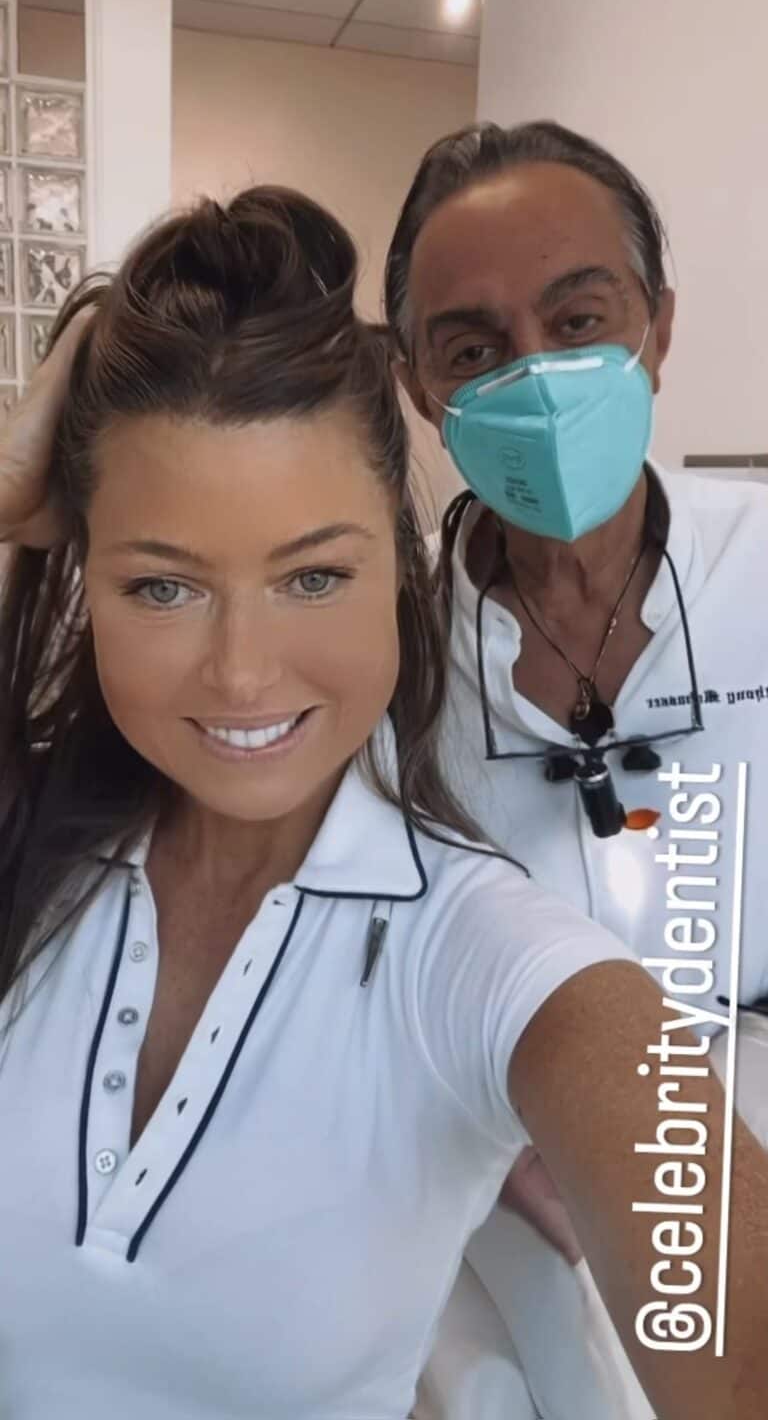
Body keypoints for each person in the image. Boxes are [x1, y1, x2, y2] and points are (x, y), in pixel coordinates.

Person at [1, 186, 766, 1420]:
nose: (242, 674)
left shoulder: (478, 952)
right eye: (163, 588)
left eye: (312, 575)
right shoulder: (32, 849)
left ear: (400, 577)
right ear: (87, 582)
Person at [385, 120, 768, 1419]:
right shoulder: (383, 647)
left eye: (579, 319)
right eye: (473, 349)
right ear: (416, 384)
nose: (536, 379)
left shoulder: (759, 564)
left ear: (658, 327)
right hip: (501, 1162)